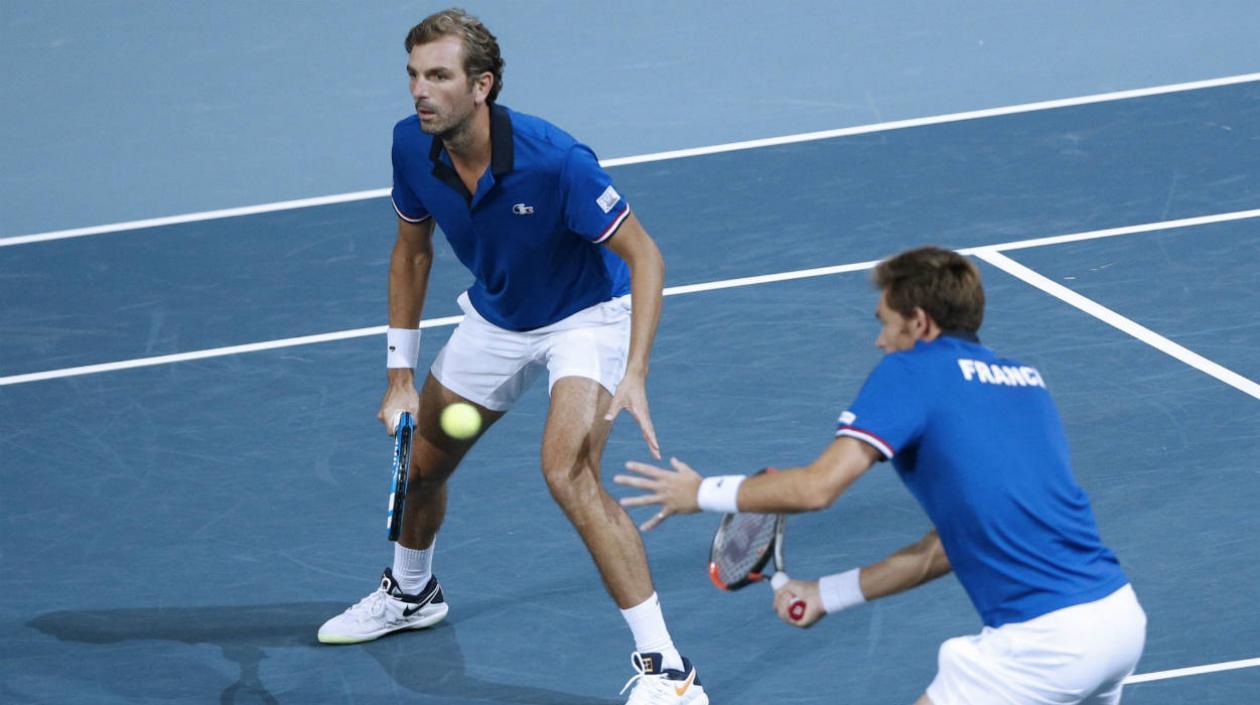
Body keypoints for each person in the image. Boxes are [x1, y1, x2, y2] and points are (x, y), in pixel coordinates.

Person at [315, 8, 707, 704]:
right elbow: (412, 251)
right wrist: (399, 376)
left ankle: (669, 672)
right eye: (413, 75)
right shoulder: (412, 147)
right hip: (499, 318)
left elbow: (645, 255)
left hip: (588, 317)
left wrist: (636, 370)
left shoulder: (556, 162)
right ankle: (411, 590)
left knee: (567, 470)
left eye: (438, 76)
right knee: (423, 466)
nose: (420, 91)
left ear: (482, 86)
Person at [615, 246, 1146, 704]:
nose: (880, 341)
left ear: (919, 323)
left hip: (1043, 644)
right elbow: (948, 546)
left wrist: (700, 493)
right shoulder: (1027, 384)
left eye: (885, 323)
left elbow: (818, 487)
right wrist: (828, 594)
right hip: (1118, 622)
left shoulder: (912, 370)